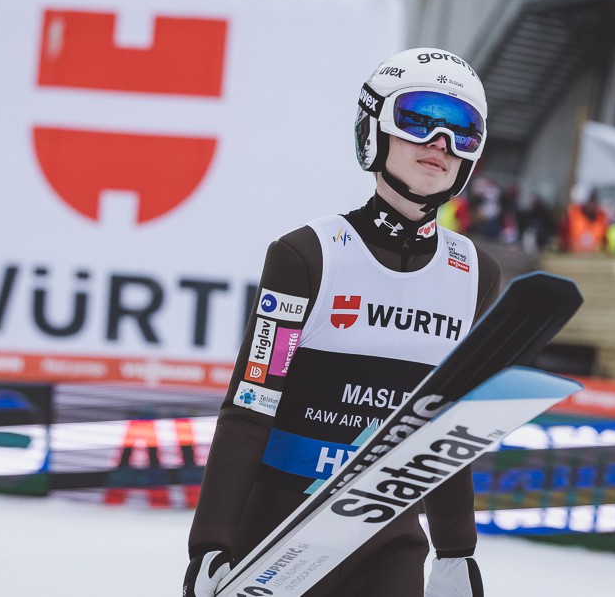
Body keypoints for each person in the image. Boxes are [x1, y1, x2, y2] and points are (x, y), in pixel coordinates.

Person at [184, 48, 501, 597]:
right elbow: (250, 408)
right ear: (374, 127)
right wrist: (211, 543)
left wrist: (456, 550)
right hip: (278, 543)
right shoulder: (307, 255)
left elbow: (445, 426)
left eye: (463, 130)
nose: (440, 143)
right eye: (419, 118)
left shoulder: (474, 274)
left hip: (390, 543)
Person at [558, 187, 609, 253]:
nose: (592, 205)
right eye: (590, 201)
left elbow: (605, 243)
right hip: (572, 256)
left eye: (593, 201)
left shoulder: (601, 218)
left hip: (594, 257)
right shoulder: (572, 216)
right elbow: (562, 241)